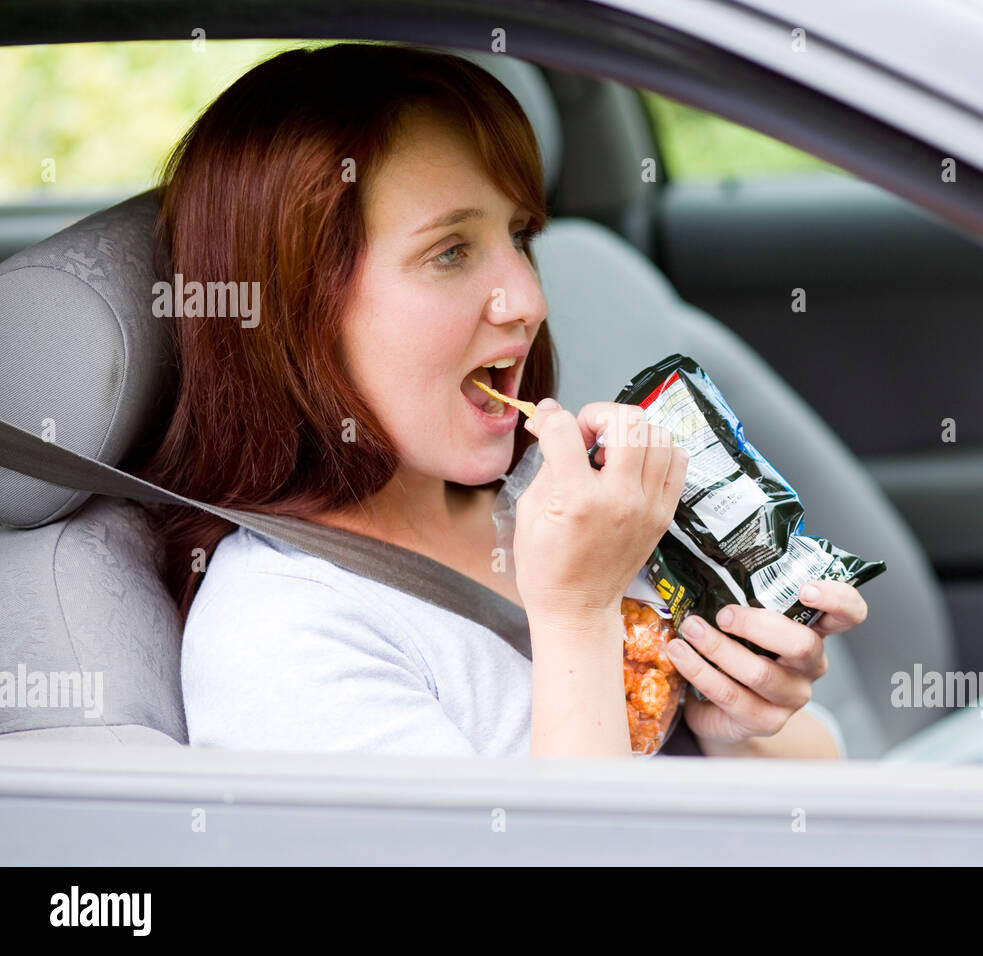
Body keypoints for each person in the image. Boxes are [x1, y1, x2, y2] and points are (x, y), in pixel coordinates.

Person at [139, 42, 867, 759]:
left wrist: (734, 730)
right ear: (299, 310)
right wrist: (579, 615)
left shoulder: (546, 499)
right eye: (450, 252)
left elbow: (822, 785)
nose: (528, 299)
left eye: (520, 236)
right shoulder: (282, 632)